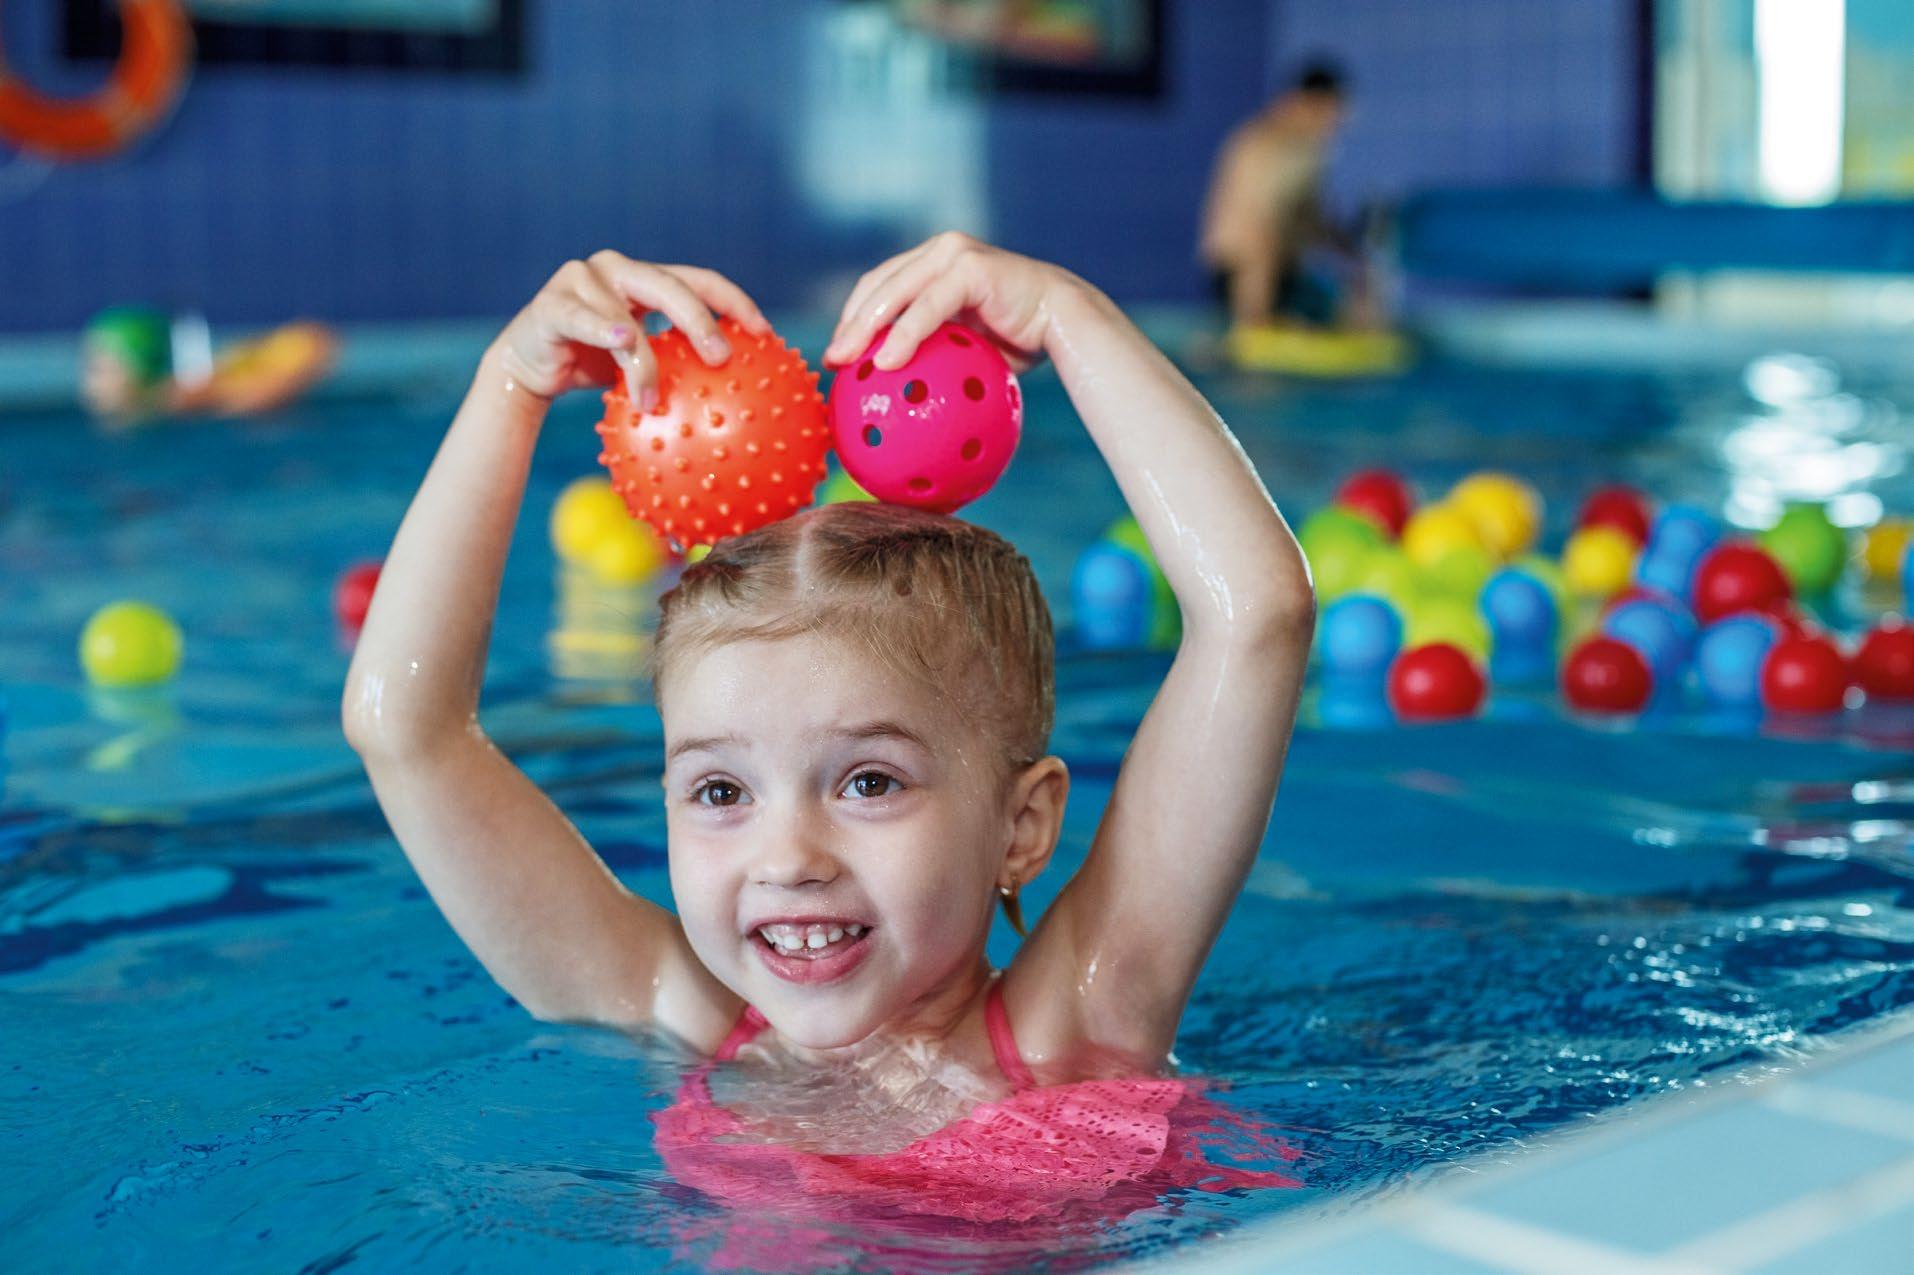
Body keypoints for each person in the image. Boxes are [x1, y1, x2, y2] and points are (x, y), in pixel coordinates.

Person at [341, 234, 1313, 1218]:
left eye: (869, 781)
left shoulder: (1078, 1023)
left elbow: (1258, 617)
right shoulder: (677, 1010)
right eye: (721, 790)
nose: (788, 858)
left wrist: (1066, 314)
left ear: (1021, 826)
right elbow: (406, 730)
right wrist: (511, 385)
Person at [1200, 60, 1361, 328]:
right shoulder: (1265, 146)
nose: (1334, 125)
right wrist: (1255, 316)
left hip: (1281, 270)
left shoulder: (1308, 150)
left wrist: (1353, 255)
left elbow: (1311, 217)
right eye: (1330, 114)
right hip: (1244, 273)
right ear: (1308, 103)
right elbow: (1258, 228)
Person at [79, 306, 336, 425]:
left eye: (98, 369)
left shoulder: (178, 400)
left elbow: (315, 339)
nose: (88, 383)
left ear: (141, 369)